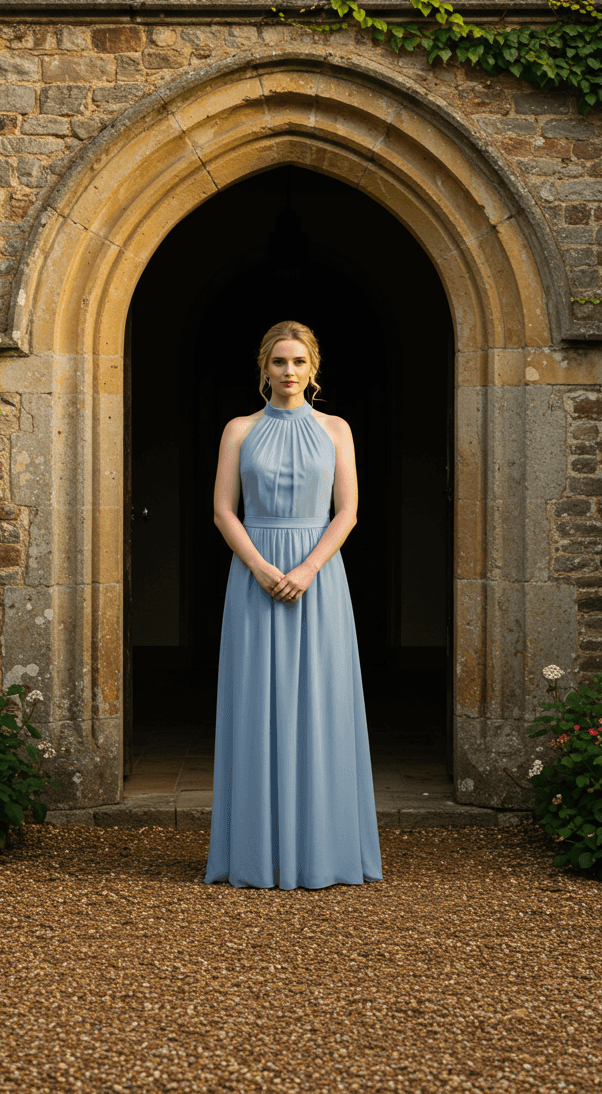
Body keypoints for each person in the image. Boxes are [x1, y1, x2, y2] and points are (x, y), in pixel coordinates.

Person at [204, 319, 383, 890]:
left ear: (314, 369)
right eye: (279, 362)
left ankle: (324, 852)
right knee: (256, 703)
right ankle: (256, 853)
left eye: (298, 362)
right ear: (264, 368)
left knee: (321, 705)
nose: (288, 372)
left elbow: (348, 511)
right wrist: (259, 566)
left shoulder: (336, 429)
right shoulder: (238, 429)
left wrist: (307, 568)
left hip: (318, 579)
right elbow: (223, 511)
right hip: (255, 576)